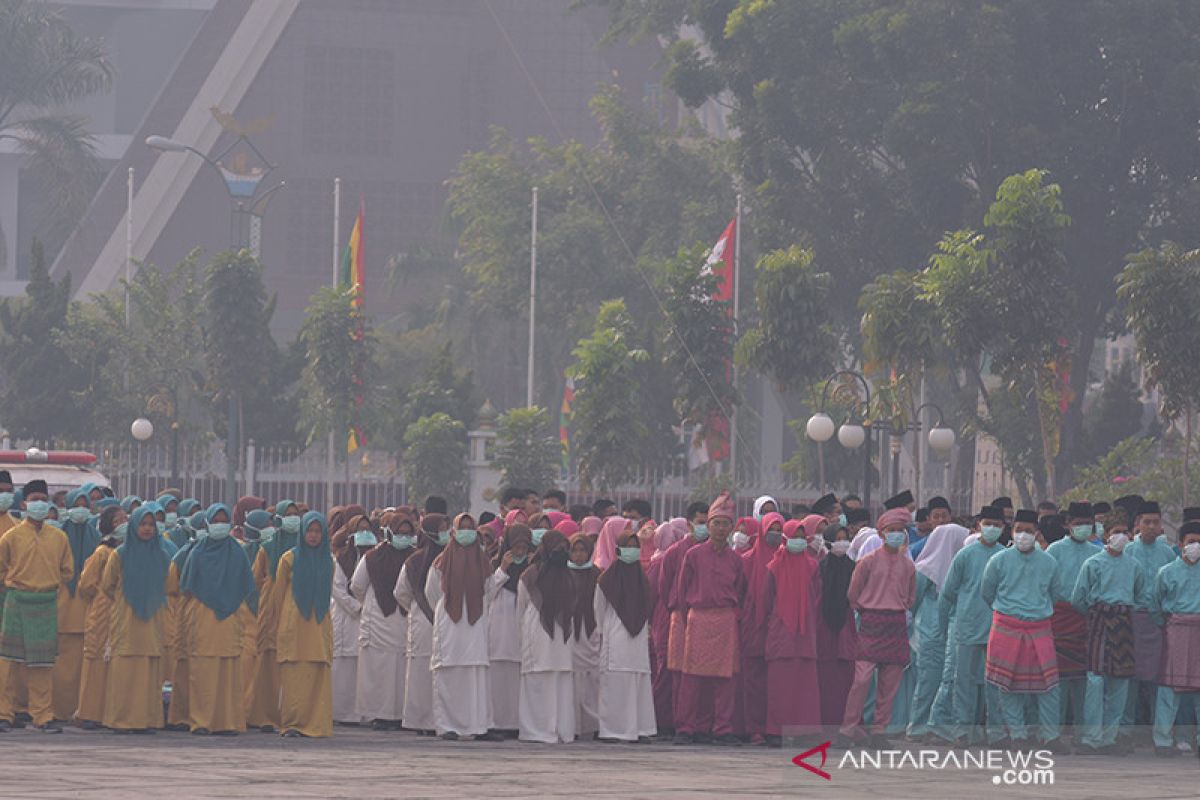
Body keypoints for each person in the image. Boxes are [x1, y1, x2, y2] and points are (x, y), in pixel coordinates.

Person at [981, 509, 1067, 751]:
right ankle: (1017, 735)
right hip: (1007, 626)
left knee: (1049, 686)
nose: (1023, 535)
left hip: (1039, 626)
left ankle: (1051, 736)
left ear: (1036, 533)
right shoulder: (998, 560)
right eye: (1019, 530)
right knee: (1007, 686)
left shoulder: (1049, 562)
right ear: (1012, 531)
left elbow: (1055, 593)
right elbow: (987, 592)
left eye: (1029, 531)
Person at [836, 508, 917, 748]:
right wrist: (864, 608)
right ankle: (847, 730)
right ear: (881, 534)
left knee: (889, 684)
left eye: (900, 531)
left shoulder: (908, 566)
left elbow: (911, 597)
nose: (896, 535)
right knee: (861, 681)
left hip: (895, 624)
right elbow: (853, 592)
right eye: (891, 531)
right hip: (871, 621)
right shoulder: (867, 561)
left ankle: (879, 731)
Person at [673, 492, 747, 746]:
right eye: (715, 522)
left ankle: (722, 728)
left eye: (725, 523)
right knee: (691, 678)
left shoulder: (736, 560)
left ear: (731, 528)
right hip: (699, 618)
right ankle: (686, 727)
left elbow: (742, 591)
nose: (720, 528)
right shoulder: (692, 555)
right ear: (708, 525)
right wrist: (690, 618)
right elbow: (682, 592)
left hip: (725, 619)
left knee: (725, 679)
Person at [1071, 513, 1148, 754]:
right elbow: (1078, 598)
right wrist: (1096, 614)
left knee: (1121, 681)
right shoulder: (1093, 563)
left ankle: (1110, 738)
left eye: (1125, 531)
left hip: (1124, 622)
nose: (1121, 536)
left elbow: (1141, 595)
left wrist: (1125, 611)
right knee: (1095, 680)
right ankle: (1091, 737)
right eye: (1116, 531)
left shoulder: (1134, 565)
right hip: (1099, 622)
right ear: (1105, 534)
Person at [0, 480, 73, 733]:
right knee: (9, 662)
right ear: (24, 503)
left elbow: (67, 571)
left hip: (45, 603)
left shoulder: (59, 537)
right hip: (17, 600)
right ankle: (4, 714)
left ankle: (42, 716)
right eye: (34, 499)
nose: (39, 504)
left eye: (43, 499)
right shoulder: (11, 537)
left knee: (42, 664)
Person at [178, 503, 256, 735]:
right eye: (217, 520)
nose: (221, 525)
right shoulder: (198, 551)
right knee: (203, 670)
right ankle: (201, 721)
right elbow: (187, 585)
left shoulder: (238, 552)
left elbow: (246, 584)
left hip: (231, 615)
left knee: (228, 669)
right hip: (203, 615)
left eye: (225, 520)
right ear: (208, 523)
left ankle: (227, 722)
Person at [427, 513, 500, 740]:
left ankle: (478, 726)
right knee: (449, 671)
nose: (466, 532)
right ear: (454, 532)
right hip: (450, 622)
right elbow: (432, 594)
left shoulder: (483, 561)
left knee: (475, 672)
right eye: (462, 527)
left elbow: (490, 590)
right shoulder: (441, 561)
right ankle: (447, 725)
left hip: (475, 622)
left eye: (470, 528)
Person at [100, 505, 172, 732]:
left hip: (152, 619)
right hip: (126, 619)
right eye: (143, 524)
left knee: (148, 669)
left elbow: (167, 586)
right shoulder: (119, 554)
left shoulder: (162, 555)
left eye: (151, 525)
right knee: (125, 668)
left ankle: (147, 720)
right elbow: (108, 585)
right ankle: (121, 720)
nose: (148, 529)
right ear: (134, 526)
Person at [939, 506, 1006, 746]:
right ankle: (962, 730)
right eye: (988, 523)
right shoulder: (965, 555)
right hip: (967, 624)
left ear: (1003, 528)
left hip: (997, 628)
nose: (992, 529)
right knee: (963, 680)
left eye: (997, 525)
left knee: (995, 682)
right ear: (978, 525)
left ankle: (996, 731)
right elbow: (947, 592)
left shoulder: (1004, 556)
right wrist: (943, 624)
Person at [351, 511, 415, 730]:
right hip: (378, 618)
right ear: (391, 533)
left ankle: (398, 714)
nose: (404, 537)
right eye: (400, 533)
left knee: (399, 667)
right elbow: (357, 585)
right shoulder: (373, 556)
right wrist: (372, 602)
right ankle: (377, 714)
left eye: (408, 533)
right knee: (377, 669)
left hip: (403, 617)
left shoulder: (414, 557)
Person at [763, 516, 824, 746]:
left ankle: (804, 732)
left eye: (802, 537)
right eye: (794, 537)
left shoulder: (812, 566)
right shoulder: (774, 566)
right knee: (780, 686)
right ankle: (775, 730)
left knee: (804, 686)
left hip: (805, 633)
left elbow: (817, 596)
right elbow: (767, 599)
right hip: (781, 633)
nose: (798, 541)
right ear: (785, 538)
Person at [906, 522, 968, 742]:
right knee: (928, 679)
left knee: (948, 677)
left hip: (951, 627)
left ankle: (939, 724)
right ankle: (918, 725)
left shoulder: (961, 565)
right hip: (929, 630)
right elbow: (912, 601)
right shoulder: (925, 568)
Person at [1045, 501, 1102, 738]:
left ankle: (1082, 734)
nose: (1083, 527)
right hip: (1059, 618)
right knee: (1057, 681)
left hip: (1087, 620)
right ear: (1068, 525)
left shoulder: (1099, 553)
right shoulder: (1054, 551)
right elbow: (1045, 585)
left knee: (1084, 681)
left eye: (1087, 523)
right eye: (1078, 523)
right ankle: (1054, 732)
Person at [275, 511, 334, 738]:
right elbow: (278, 595)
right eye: (309, 530)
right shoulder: (288, 559)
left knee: (317, 673)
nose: (313, 536)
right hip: (294, 624)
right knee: (294, 675)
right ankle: (292, 723)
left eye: (318, 531)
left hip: (318, 624)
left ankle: (316, 724)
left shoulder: (328, 560)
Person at [594, 528, 656, 743]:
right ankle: (612, 729)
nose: (631, 550)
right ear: (618, 549)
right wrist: (605, 633)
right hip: (614, 637)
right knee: (616, 684)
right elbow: (598, 611)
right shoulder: (606, 580)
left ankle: (640, 729)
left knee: (637, 682)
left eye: (635, 547)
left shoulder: (643, 580)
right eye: (627, 546)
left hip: (637, 638)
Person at [517, 529, 578, 743]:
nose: (561, 552)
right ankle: (537, 730)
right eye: (557, 547)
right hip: (537, 632)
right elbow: (522, 606)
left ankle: (561, 730)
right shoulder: (531, 574)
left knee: (560, 683)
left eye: (564, 548)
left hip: (562, 636)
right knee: (538, 680)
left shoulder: (569, 575)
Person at [244, 500, 299, 733]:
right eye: (287, 515)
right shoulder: (268, 548)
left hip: (295, 607)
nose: (292, 519)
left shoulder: (303, 547)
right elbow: (254, 580)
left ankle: (289, 714)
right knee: (267, 660)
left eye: (295, 515)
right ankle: (263, 714)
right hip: (269, 609)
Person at [393, 513, 449, 735]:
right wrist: (416, 610)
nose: (445, 534)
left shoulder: (448, 559)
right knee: (419, 673)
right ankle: (419, 721)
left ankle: (439, 720)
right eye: (441, 529)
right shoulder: (414, 562)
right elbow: (401, 592)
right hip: (421, 621)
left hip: (443, 620)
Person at [1123, 500, 1175, 736]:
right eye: (1147, 522)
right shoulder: (1127, 551)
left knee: (1157, 677)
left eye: (1156, 522)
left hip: (1157, 623)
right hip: (1131, 620)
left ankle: (1157, 732)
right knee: (1129, 678)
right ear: (1137, 524)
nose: (1151, 526)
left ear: (1161, 525)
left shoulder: (1167, 553)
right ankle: (1126, 730)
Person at [1150, 520, 1200, 757]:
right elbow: (1156, 606)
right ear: (1180, 544)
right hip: (1176, 632)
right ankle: (1162, 740)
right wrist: (1169, 626)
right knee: (1169, 689)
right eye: (1191, 542)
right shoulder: (1166, 572)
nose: (1196, 546)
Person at [50, 486, 99, 721]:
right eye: (76, 505)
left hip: (87, 613)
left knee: (82, 668)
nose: (81, 510)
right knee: (59, 668)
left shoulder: (96, 538)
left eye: (85, 505)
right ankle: (56, 710)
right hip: (60, 612)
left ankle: (80, 711)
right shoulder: (57, 537)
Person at [75, 505, 125, 729]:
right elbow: (85, 584)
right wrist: (102, 595)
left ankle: (107, 710)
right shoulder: (102, 552)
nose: (124, 524)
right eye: (118, 521)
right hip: (102, 608)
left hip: (119, 609)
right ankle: (89, 712)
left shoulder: (127, 551)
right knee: (95, 659)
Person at [660, 504, 708, 735]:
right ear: (689, 524)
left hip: (708, 620)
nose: (705, 527)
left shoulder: (719, 552)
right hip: (680, 617)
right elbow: (664, 586)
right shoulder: (674, 552)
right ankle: (682, 725)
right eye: (700, 522)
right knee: (681, 675)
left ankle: (702, 725)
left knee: (707, 674)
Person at [740, 511, 786, 745]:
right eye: (771, 530)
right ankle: (754, 727)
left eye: (779, 530)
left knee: (776, 682)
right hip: (753, 626)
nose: (776, 535)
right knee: (754, 680)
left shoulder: (785, 558)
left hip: (777, 627)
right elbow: (738, 593)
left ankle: (774, 726)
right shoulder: (747, 559)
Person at [487, 522, 532, 736]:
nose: (520, 552)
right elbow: (487, 594)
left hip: (520, 633)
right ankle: (496, 723)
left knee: (517, 681)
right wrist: (503, 569)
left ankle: (515, 723)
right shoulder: (494, 565)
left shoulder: (531, 571)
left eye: (524, 548)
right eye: (516, 547)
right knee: (497, 679)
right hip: (498, 631)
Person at [164, 509, 205, 730]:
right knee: (184, 665)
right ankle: (181, 715)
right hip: (186, 615)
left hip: (211, 622)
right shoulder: (183, 556)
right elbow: (172, 586)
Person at [330, 510, 372, 724]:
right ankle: (340, 712)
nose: (364, 533)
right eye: (360, 530)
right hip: (346, 616)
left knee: (361, 666)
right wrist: (357, 607)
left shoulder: (373, 556)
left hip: (367, 618)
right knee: (342, 667)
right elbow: (337, 589)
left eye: (368, 530)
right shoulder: (341, 558)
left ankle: (360, 713)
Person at [646, 518, 686, 735]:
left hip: (668, 617)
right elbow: (652, 594)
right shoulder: (662, 561)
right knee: (665, 671)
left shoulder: (667, 559)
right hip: (665, 618)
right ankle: (661, 720)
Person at [816, 522, 856, 730]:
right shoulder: (821, 566)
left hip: (846, 626)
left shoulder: (853, 567)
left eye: (844, 538)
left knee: (846, 678)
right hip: (825, 627)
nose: (842, 543)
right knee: (826, 678)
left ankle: (846, 724)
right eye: (837, 538)